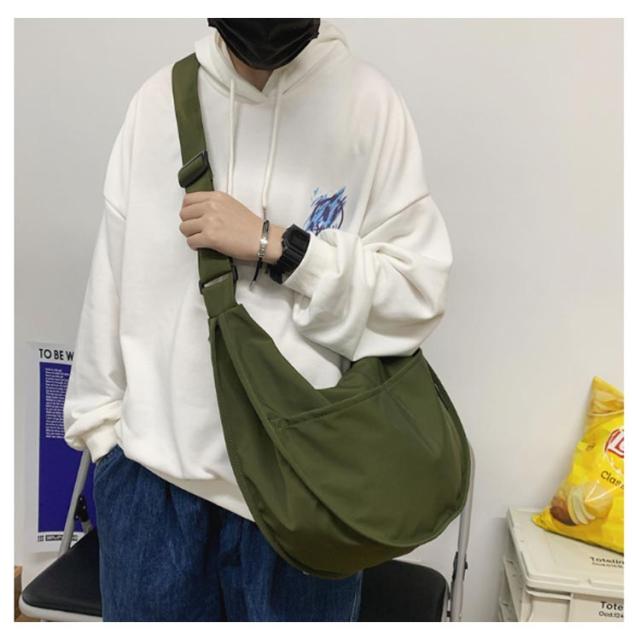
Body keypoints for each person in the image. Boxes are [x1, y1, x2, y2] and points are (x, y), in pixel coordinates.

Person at [63, 18, 453, 622]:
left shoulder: (370, 107)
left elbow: (415, 295)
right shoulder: (158, 101)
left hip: (306, 493)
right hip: (154, 492)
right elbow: (109, 281)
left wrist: (281, 247)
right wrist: (102, 440)